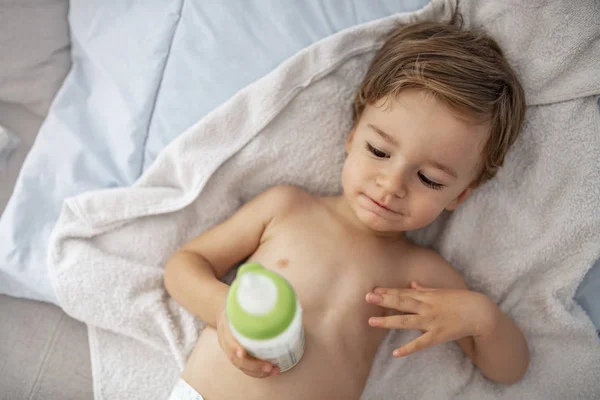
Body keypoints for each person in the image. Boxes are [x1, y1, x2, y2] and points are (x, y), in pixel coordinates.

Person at [163, 18, 529, 400]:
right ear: (353, 135)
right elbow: (184, 265)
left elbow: (509, 369)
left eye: (429, 179)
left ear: (458, 195)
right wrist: (221, 308)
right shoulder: (287, 208)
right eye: (379, 151)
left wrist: (482, 318)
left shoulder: (419, 273)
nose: (391, 185)